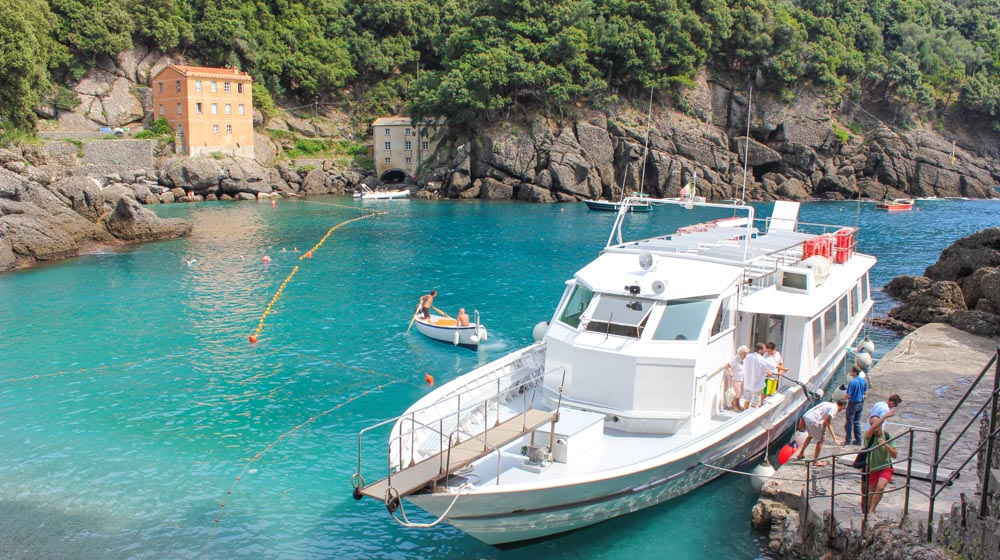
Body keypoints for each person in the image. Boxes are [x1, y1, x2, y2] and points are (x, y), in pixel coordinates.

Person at [863, 405, 898, 515]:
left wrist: (886, 445)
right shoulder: (868, 436)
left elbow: (894, 455)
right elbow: (873, 429)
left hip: (885, 467)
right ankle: (868, 510)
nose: (875, 426)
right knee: (871, 492)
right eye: (872, 424)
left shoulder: (887, 436)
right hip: (873, 468)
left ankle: (872, 510)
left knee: (881, 487)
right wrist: (885, 416)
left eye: (876, 423)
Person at [794, 399, 846, 466]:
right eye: (843, 408)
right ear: (842, 406)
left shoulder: (828, 403)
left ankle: (800, 454)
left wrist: (823, 432)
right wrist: (834, 437)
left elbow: (824, 422)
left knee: (810, 436)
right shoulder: (834, 409)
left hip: (806, 417)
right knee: (820, 441)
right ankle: (815, 461)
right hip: (813, 420)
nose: (842, 410)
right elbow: (827, 422)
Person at [742, 343, 776, 408]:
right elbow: (772, 366)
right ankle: (752, 417)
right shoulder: (761, 359)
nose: (765, 351)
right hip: (756, 385)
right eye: (764, 350)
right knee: (754, 404)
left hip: (747, 384)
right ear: (760, 350)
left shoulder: (748, 356)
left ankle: (744, 413)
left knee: (747, 401)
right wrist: (783, 369)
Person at [844, 366, 868, 445]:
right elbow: (864, 391)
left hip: (853, 403)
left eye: (851, 371)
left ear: (854, 372)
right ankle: (859, 440)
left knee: (849, 422)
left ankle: (848, 440)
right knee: (856, 422)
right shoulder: (862, 380)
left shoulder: (853, 382)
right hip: (860, 403)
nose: (850, 372)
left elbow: (848, 394)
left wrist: (842, 401)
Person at [725, 346, 749, 410]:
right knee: (736, 392)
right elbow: (728, 366)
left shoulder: (743, 359)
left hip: (741, 378)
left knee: (739, 392)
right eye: (745, 353)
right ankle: (734, 405)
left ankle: (738, 404)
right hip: (735, 378)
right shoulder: (735, 358)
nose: (746, 355)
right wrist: (730, 372)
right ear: (741, 353)